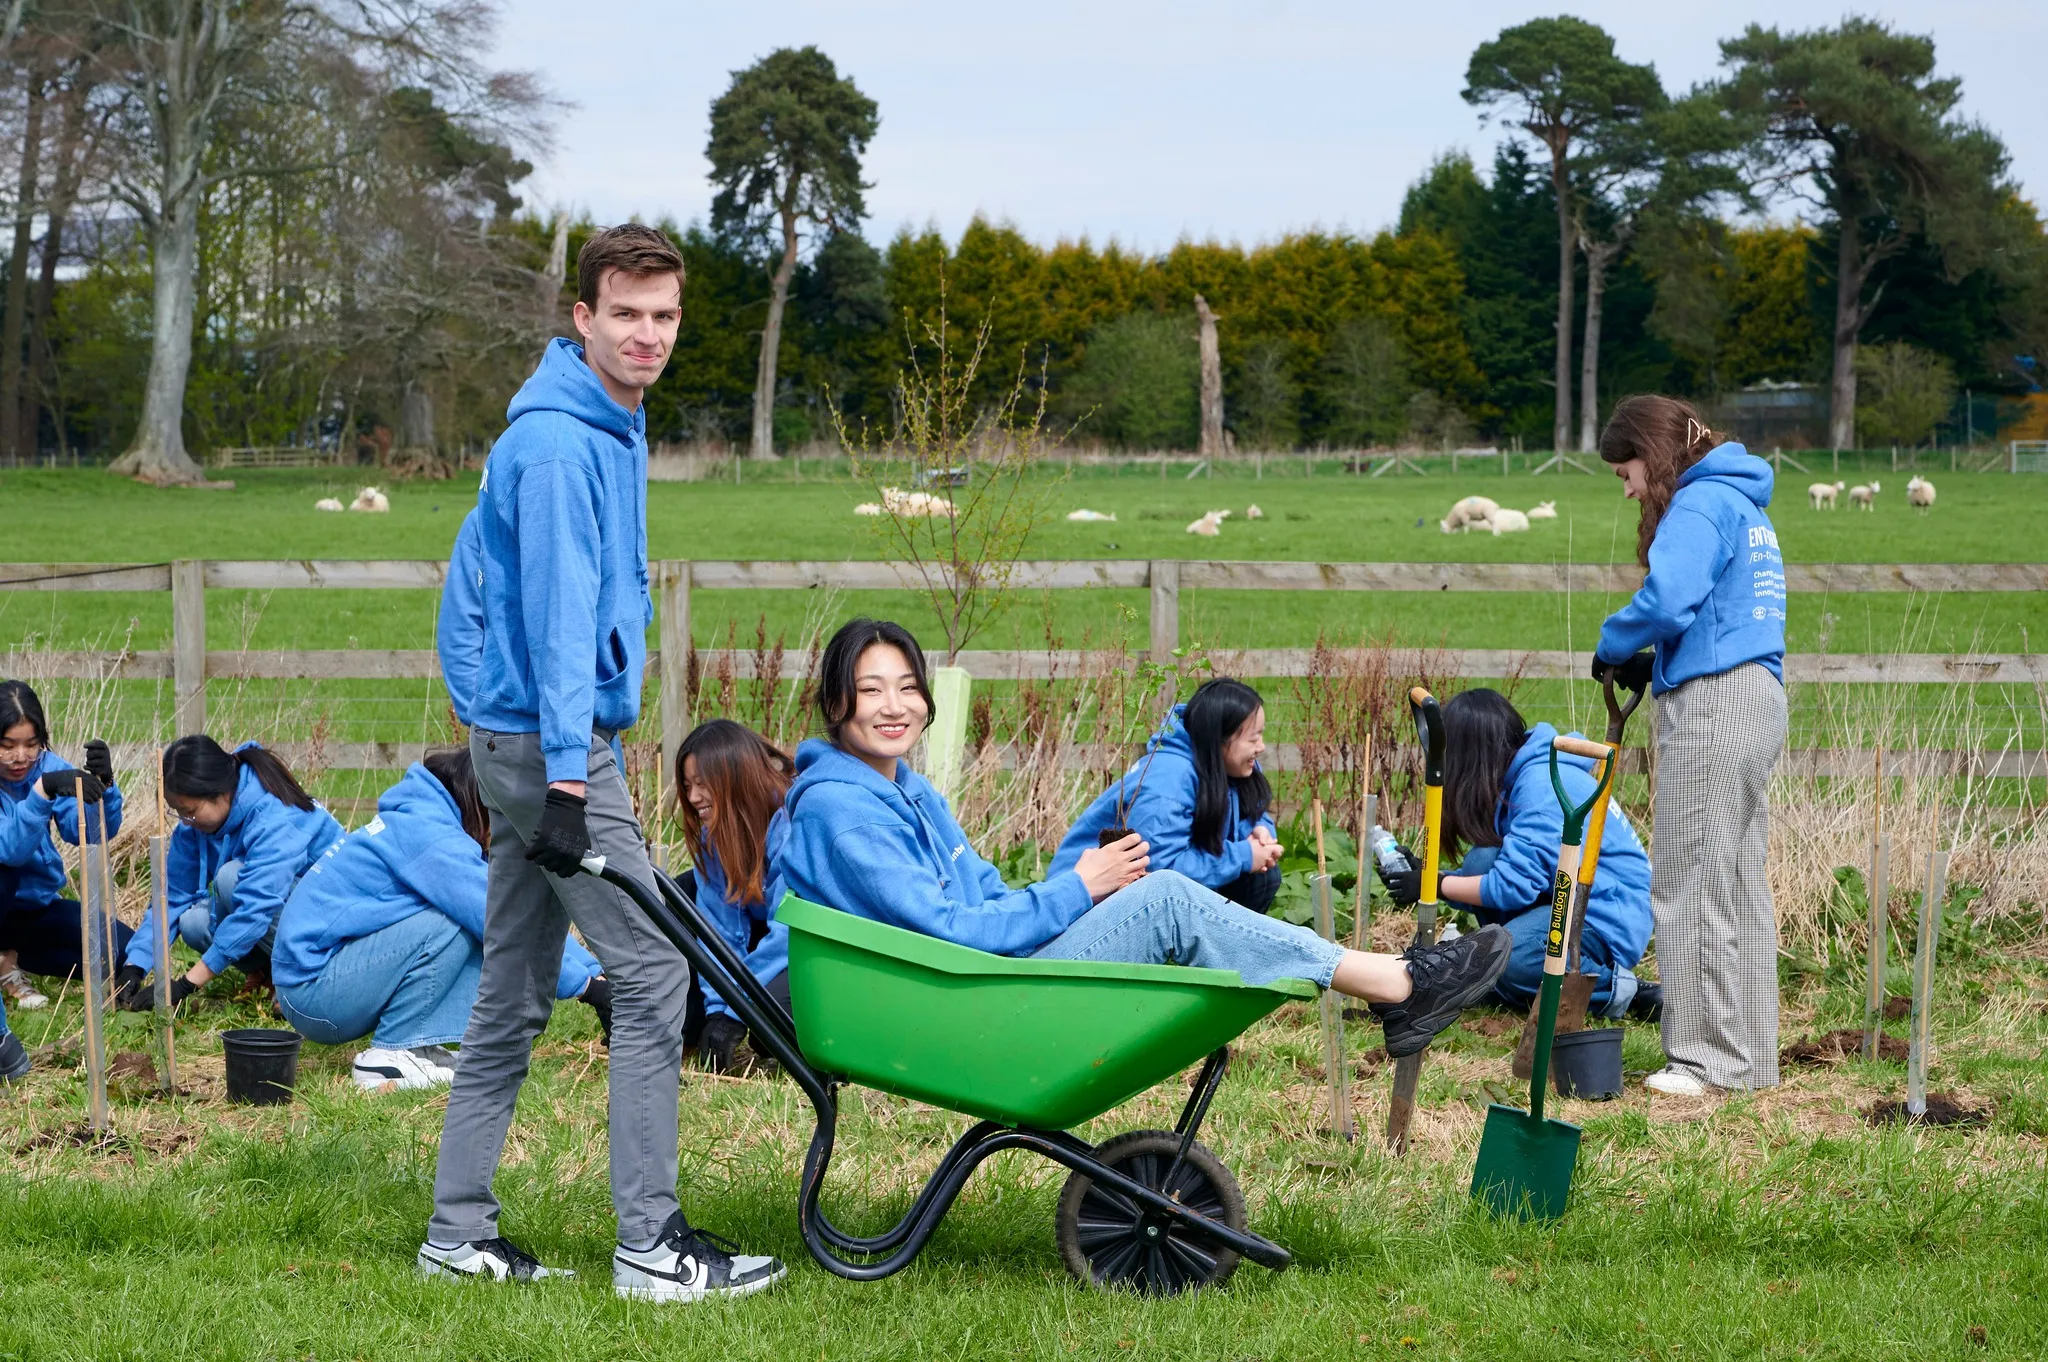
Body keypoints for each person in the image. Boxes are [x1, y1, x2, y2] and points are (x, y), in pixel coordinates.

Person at [420, 224, 784, 1303]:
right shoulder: (558, 447)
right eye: (624, 314)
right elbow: (556, 614)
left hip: (528, 740)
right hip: (554, 750)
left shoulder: (608, 418)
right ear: (581, 318)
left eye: (664, 316)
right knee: (654, 970)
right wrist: (565, 780)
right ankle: (651, 1246)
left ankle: (456, 1234)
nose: (647, 336)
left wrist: (492, 729)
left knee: (516, 988)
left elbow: (475, 588)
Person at [780, 619, 1513, 1056]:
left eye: (907, 686)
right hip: (957, 1002)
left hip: (978, 975)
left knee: (1165, 899)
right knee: (1165, 897)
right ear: (835, 701)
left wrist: (1065, 897)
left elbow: (980, 898)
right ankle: (1397, 984)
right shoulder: (845, 810)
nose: (895, 706)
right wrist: (1079, 886)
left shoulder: (900, 789)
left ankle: (1394, 978)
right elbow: (948, 932)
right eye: (872, 689)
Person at [1592, 395, 1786, 1096]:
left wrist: (1615, 642)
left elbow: (1669, 598)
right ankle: (1749, 1062)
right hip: (1757, 694)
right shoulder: (1743, 504)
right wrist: (1660, 661)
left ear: (1655, 453)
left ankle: (1704, 1064)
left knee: (1688, 882)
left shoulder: (1698, 505)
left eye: (1627, 472)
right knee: (1733, 884)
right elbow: (1716, 610)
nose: (1629, 488)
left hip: (1714, 704)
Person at [275, 751, 613, 1091]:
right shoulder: (432, 839)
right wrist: (586, 986)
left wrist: (591, 970)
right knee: (450, 924)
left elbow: (506, 909)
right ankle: (390, 1054)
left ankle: (416, 1043)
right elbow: (498, 919)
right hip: (313, 993)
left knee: (457, 920)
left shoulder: (425, 817)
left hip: (319, 980)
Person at [1378, 688, 1658, 1021]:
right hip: (1565, 897)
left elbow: (1512, 886)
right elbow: (1511, 871)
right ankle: (1510, 976)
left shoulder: (1541, 786)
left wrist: (1434, 884)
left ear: (1471, 756)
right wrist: (1431, 877)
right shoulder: (1523, 772)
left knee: (1514, 960)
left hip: (1605, 915)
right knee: (1481, 860)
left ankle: (1626, 992)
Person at [115, 736, 341, 1011]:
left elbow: (256, 909)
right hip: (282, 913)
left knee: (230, 879)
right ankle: (271, 973)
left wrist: (186, 984)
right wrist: (135, 965)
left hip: (333, 921)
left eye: (190, 812)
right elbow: (173, 897)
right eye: (178, 813)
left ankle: (312, 979)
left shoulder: (276, 815)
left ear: (221, 792)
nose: (186, 822)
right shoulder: (194, 827)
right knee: (194, 923)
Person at [1048, 679, 1284, 913]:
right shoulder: (1169, 782)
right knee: (1247, 874)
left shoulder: (1229, 765)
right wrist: (1243, 856)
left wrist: (1258, 833)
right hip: (1084, 904)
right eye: (1253, 738)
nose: (1261, 746)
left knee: (1261, 878)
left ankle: (1219, 949)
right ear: (1220, 739)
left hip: (1145, 890)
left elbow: (1253, 810)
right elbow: (1161, 874)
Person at [0, 679, 132, 1019]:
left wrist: (104, 788)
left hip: (34, 908)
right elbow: (10, 849)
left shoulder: (46, 765)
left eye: (32, 744)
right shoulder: (44, 778)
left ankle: (11, 955)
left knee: (122, 953)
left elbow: (87, 834)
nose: (21, 757)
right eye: (7, 745)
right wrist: (43, 792)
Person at [674, 720, 793, 1074]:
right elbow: (719, 929)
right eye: (687, 785)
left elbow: (789, 930)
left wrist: (738, 1008)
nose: (693, 798)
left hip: (809, 940)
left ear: (735, 778)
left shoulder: (790, 821)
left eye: (702, 784)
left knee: (773, 1028)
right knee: (678, 896)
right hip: (765, 934)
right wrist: (718, 1011)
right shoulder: (714, 835)